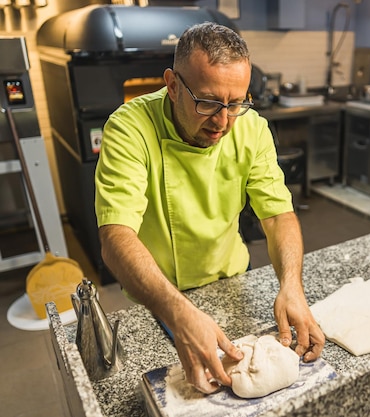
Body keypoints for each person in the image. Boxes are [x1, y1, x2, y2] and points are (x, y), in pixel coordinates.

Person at [94, 22, 325, 394]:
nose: (223, 122)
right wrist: (180, 312)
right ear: (172, 85)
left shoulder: (252, 129)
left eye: (236, 103)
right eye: (208, 102)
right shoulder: (129, 129)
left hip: (230, 279)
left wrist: (291, 285)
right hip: (156, 294)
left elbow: (279, 214)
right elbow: (115, 237)